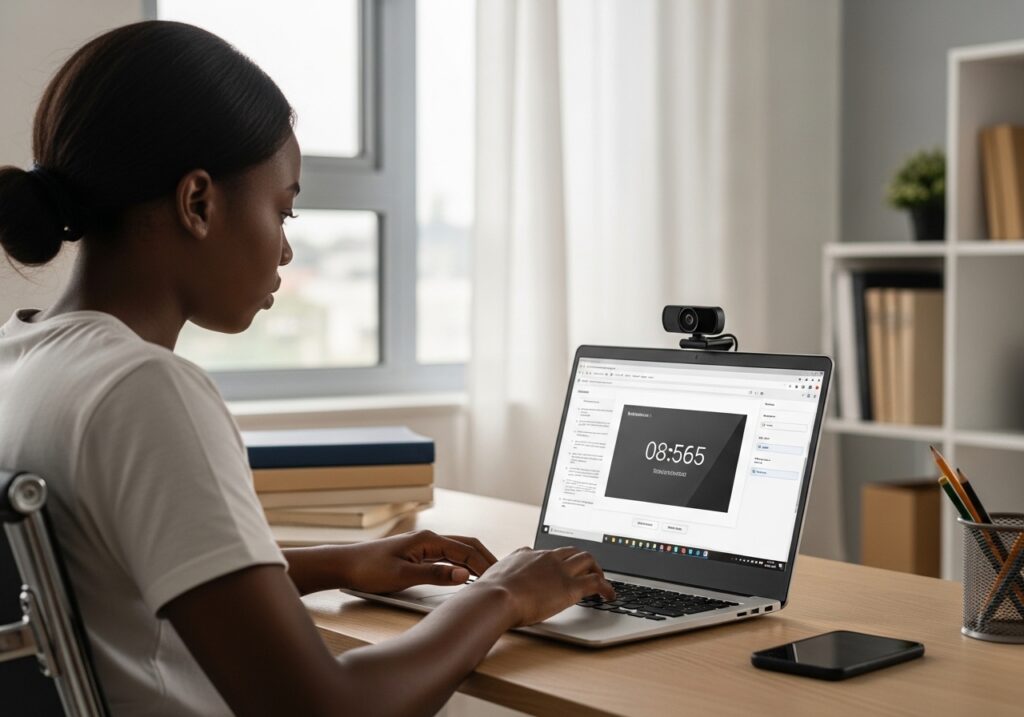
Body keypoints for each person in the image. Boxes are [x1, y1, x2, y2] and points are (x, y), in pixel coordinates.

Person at [0, 21, 613, 716]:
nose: (286, 252)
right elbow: (327, 707)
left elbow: (112, 569)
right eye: (282, 209)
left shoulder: (20, 362)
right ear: (198, 203)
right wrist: (501, 594)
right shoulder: (143, 390)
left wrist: (335, 561)